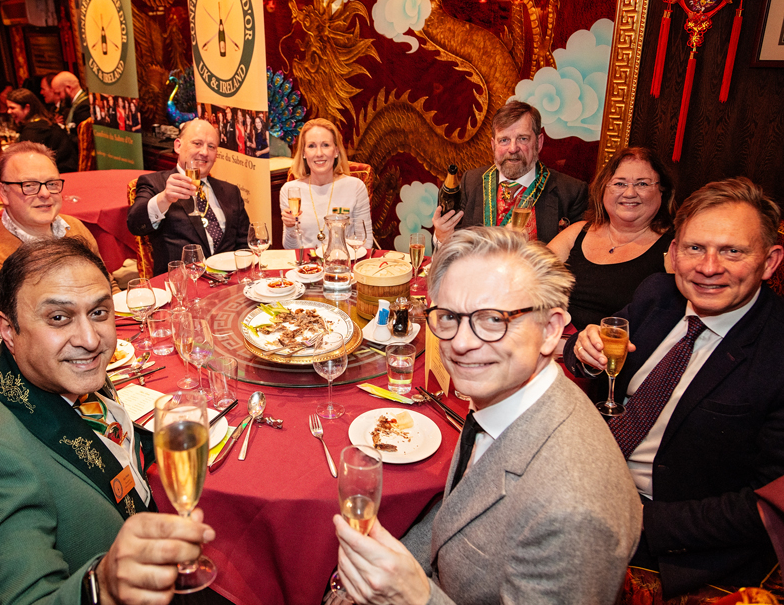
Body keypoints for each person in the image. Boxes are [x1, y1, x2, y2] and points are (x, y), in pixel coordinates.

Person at [334, 227, 641, 604]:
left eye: (494, 319)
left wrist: (415, 595)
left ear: (550, 331)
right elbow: (455, 517)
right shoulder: (503, 396)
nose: (462, 343)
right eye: (449, 316)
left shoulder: (575, 509)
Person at [0, 237, 216, 605]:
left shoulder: (58, 371)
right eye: (58, 318)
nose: (90, 340)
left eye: (99, 312)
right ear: (8, 330)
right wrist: (102, 586)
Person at [564, 177, 784, 596]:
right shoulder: (657, 295)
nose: (708, 267)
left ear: (770, 261)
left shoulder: (776, 351)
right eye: (695, 248)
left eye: (732, 251)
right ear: (674, 252)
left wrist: (639, 519)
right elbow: (590, 357)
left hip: (666, 532)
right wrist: (584, 350)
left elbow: (768, 503)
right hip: (587, 473)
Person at [548, 146, 676, 330]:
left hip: (616, 346)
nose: (630, 193)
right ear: (603, 189)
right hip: (555, 339)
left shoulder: (673, 248)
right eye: (619, 184)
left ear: (662, 190)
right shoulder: (577, 232)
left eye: (642, 184)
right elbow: (528, 279)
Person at [433, 100, 588, 245]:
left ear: (539, 143)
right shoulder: (470, 182)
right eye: (504, 140)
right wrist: (442, 236)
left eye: (522, 138)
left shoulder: (571, 192)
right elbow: (454, 247)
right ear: (493, 145)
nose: (513, 149)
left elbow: (576, 258)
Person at [127, 118, 250, 276]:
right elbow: (135, 224)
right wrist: (164, 199)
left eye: (211, 146)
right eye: (197, 144)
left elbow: (245, 244)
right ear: (178, 146)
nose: (204, 152)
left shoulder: (230, 191)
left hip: (229, 281)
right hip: (183, 282)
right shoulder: (156, 184)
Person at [0, 142, 104, 275]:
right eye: (29, 185)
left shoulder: (75, 227)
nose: (45, 193)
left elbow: (107, 282)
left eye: (51, 184)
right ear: (3, 192)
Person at [279, 118, 372, 250]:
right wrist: (290, 227)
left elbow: (366, 243)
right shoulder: (290, 190)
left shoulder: (356, 187)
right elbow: (290, 249)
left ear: (336, 151)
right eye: (311, 146)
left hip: (344, 261)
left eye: (325, 145)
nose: (319, 153)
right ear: (304, 153)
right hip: (306, 263)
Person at [5, 88, 76, 173]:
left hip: (60, 174)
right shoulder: (43, 122)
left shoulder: (33, 131)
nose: (8, 111)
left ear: (27, 108)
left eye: (12, 108)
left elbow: (29, 164)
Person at [52, 71, 89, 139]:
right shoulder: (75, 105)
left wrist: (61, 130)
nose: (59, 97)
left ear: (69, 88)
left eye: (59, 93)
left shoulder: (83, 107)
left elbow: (82, 139)